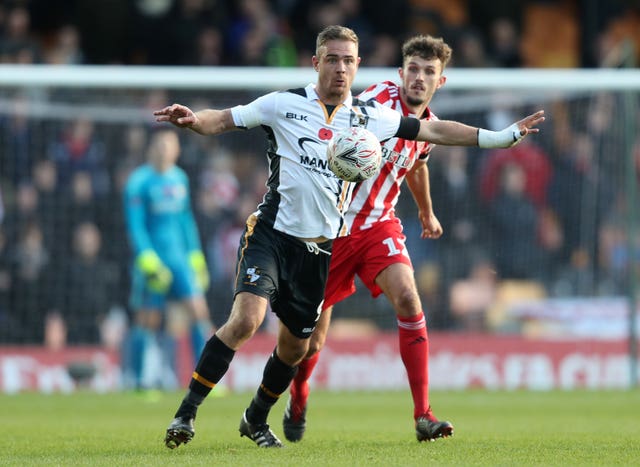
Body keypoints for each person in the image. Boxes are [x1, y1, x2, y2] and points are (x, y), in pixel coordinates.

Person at [155, 25, 544, 449]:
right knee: (248, 320)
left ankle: (258, 418)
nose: (340, 68)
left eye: (348, 61)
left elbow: (432, 134)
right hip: (274, 233)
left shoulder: (369, 118)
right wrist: (195, 121)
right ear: (316, 62)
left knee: (297, 347)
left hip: (329, 242)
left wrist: (502, 138)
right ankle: (186, 414)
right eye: (333, 59)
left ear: (357, 66)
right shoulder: (285, 103)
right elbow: (227, 119)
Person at [282, 34, 455, 444]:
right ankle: (299, 396)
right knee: (310, 339)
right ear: (401, 73)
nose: (419, 77)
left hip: (379, 226)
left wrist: (427, 212)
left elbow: (417, 163)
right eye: (413, 69)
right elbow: (339, 131)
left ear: (439, 82)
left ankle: (423, 415)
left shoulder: (426, 124)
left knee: (410, 298)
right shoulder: (374, 102)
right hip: (332, 229)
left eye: (429, 72)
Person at [122, 128, 213, 390]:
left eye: (170, 145)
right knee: (148, 319)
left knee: (199, 313)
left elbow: (185, 221)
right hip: (154, 262)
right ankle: (139, 382)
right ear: (152, 148)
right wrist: (147, 259)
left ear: (177, 151)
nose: (165, 149)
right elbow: (135, 226)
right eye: (160, 144)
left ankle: (203, 381)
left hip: (180, 260)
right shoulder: (138, 182)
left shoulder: (179, 179)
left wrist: (196, 256)